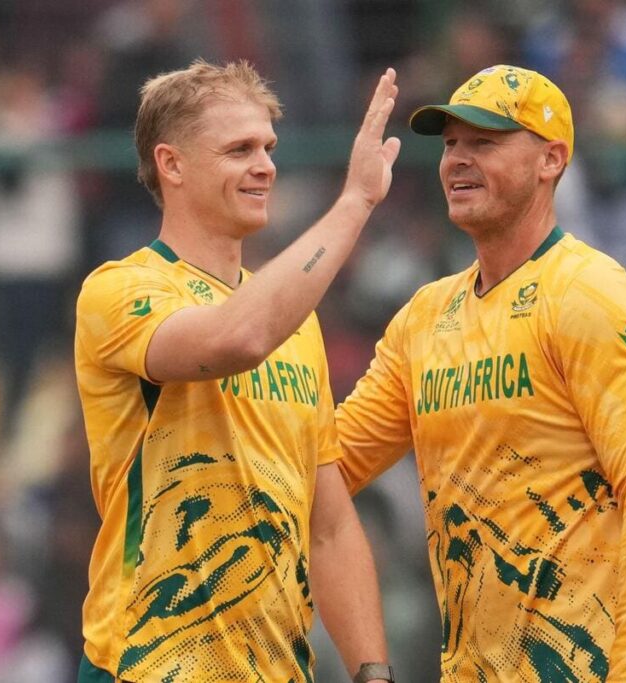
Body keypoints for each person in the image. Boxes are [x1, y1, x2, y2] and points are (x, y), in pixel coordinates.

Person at [333, 65, 626, 681]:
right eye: (450, 145)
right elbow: (331, 463)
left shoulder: (592, 294)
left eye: (485, 143)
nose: (457, 161)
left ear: (551, 159)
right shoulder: (425, 316)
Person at [74, 59, 400, 683]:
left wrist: (372, 671)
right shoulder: (119, 290)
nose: (266, 167)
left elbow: (327, 524)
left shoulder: (297, 323)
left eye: (270, 148)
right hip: (147, 665)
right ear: (171, 164)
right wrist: (355, 201)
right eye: (239, 150)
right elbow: (238, 336)